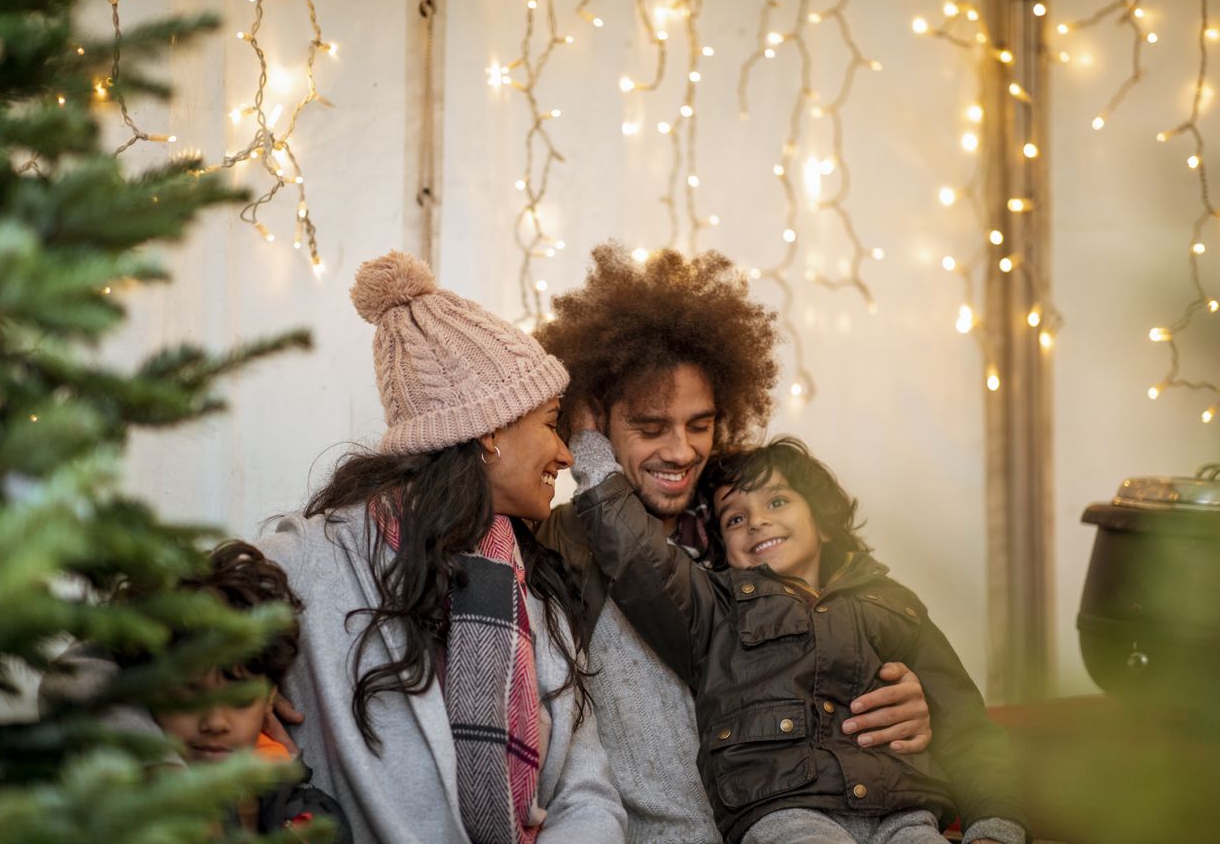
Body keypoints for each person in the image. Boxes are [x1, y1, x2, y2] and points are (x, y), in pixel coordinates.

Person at [535, 244, 935, 843]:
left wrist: (913, 696)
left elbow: (851, 626)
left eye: (700, 424)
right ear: (595, 419)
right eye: (650, 428)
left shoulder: (751, 534)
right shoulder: (556, 542)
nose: (680, 451)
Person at [254, 251, 625, 843]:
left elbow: (588, 794)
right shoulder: (313, 562)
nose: (566, 453)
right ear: (489, 429)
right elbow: (113, 673)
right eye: (551, 423)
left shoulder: (534, 583)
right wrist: (235, 699)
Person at [569, 435, 1029, 844]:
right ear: (721, 549)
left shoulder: (894, 604)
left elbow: (964, 724)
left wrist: (995, 827)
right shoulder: (718, 605)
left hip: (904, 811)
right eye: (734, 519)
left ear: (824, 522)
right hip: (784, 810)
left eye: (776, 502)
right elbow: (639, 558)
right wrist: (589, 442)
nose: (756, 523)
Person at [151, 541, 351, 842]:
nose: (215, 722)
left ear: (270, 698)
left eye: (239, 699)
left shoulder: (311, 820)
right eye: (191, 696)